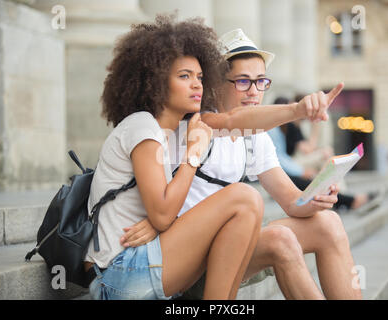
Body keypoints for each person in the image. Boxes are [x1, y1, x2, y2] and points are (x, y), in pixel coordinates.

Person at [121, 28, 363, 300]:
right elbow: (234, 120)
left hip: (228, 248)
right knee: (279, 239)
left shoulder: (255, 139)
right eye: (243, 82)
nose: (254, 92)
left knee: (328, 223)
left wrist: (315, 197)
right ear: (215, 83)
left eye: (261, 82)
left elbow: (292, 202)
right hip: (186, 260)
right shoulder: (197, 123)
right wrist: (298, 109)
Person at [83, 16, 265, 300]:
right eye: (184, 76)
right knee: (244, 198)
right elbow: (164, 214)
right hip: (118, 275)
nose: (197, 85)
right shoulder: (142, 126)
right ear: (155, 81)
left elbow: (165, 214)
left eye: (200, 77)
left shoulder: (164, 134)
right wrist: (195, 153)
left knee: (244, 213)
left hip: (138, 266)